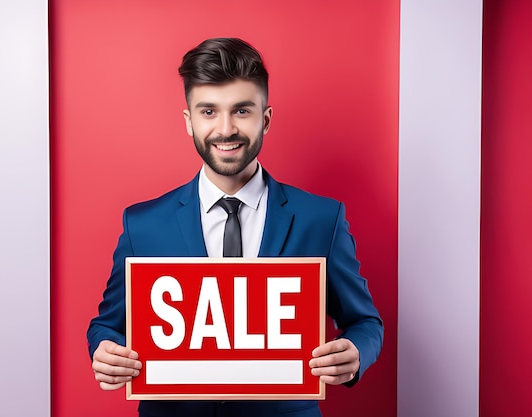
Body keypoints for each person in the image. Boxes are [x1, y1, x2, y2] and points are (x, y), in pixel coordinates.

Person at [88, 37, 383, 417]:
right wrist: (104, 350)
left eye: (241, 111)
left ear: (266, 118)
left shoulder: (321, 219)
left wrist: (356, 352)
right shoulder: (143, 223)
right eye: (208, 112)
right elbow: (107, 325)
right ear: (188, 121)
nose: (225, 129)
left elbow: (364, 321)